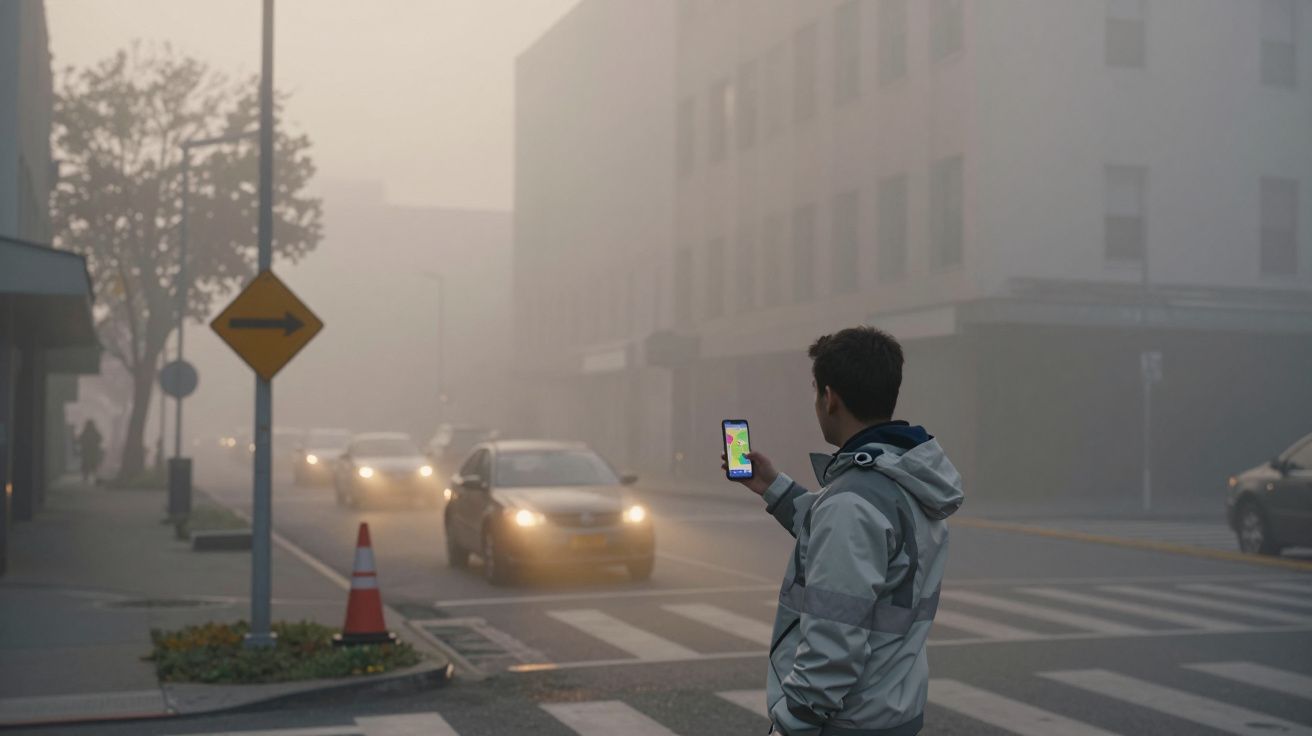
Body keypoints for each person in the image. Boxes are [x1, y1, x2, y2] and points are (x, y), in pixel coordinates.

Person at [724, 326, 963, 736]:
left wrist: (791, 723)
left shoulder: (853, 502)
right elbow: (842, 537)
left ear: (829, 397)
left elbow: (831, 648)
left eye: (815, 391)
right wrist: (772, 487)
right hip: (892, 712)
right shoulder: (904, 477)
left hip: (847, 722)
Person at [77, 419, 104, 485]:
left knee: (87, 465)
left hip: (87, 452)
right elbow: (100, 439)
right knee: (92, 465)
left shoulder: (85, 432)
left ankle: (86, 478)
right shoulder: (94, 432)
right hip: (92, 452)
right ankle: (93, 478)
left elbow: (79, 440)